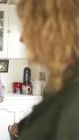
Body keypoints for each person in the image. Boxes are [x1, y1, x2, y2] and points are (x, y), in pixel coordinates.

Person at [9, 0, 79, 140]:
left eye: (27, 27)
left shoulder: (72, 101)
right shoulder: (62, 82)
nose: (22, 38)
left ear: (54, 30)